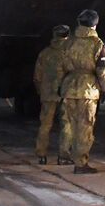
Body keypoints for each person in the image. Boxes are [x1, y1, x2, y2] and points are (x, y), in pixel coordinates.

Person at [55, 8, 105, 174]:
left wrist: (60, 86)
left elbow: (60, 67)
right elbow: (103, 69)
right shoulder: (97, 44)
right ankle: (80, 163)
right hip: (88, 90)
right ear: (95, 24)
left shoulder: (68, 43)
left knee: (68, 125)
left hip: (69, 87)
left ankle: (64, 155)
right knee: (85, 127)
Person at [33, 24, 71, 164]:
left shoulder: (45, 53)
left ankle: (41, 155)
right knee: (67, 125)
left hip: (48, 93)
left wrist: (40, 90)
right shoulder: (70, 52)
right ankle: (64, 156)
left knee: (45, 125)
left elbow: (37, 76)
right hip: (66, 93)